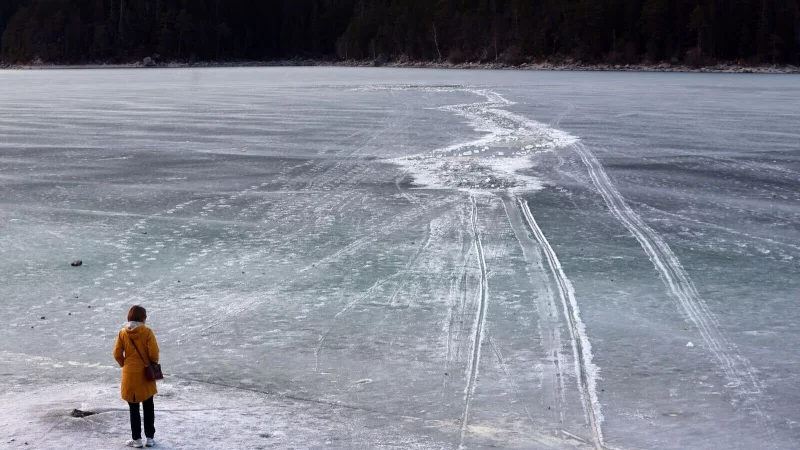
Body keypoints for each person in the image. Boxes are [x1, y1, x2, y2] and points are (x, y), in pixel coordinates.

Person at [113, 305, 160, 448]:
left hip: (129, 375)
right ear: (143, 318)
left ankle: (137, 439)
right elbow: (154, 353)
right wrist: (152, 364)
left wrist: (125, 364)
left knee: (133, 408)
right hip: (145, 374)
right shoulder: (147, 332)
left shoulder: (122, 333)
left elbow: (117, 353)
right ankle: (150, 438)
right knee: (148, 406)